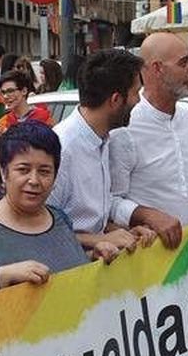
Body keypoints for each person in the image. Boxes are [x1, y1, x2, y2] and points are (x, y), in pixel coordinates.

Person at [109, 32, 188, 247]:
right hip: (147, 258)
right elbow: (110, 201)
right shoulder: (125, 127)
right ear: (157, 69)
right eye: (184, 63)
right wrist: (148, 215)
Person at [0, 121, 92, 293]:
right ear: (4, 173)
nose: (34, 181)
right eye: (23, 170)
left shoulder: (59, 218)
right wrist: (1, 277)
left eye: (44, 171)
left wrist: (92, 258)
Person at [49, 47, 150, 259]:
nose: (139, 101)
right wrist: (98, 240)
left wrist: (120, 233)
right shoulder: (62, 149)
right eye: (135, 93)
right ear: (115, 100)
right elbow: (40, 231)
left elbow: (90, 223)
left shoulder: (103, 139)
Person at [0, 67, 53, 140]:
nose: (6, 96)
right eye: (3, 92)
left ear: (24, 91)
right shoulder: (3, 122)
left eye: (10, 91)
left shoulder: (44, 117)